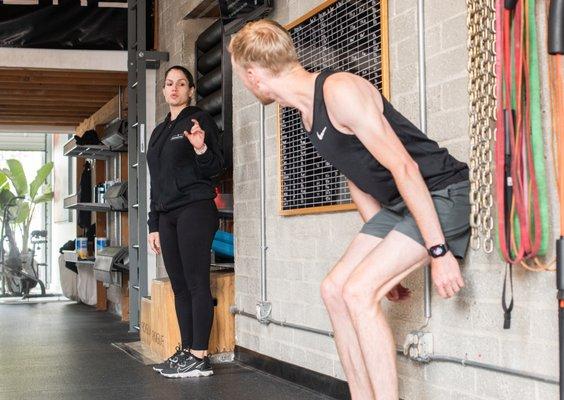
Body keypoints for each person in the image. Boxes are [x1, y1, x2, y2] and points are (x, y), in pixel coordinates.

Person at [228, 20, 470, 400]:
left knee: (358, 292)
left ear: (254, 74)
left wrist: (439, 252)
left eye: (241, 76)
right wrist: (383, 258)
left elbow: (404, 167)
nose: (244, 82)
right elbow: (357, 178)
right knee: (334, 290)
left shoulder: (339, 90)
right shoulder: (308, 116)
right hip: (398, 206)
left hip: (442, 192)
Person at [146, 65, 224, 378]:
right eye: (169, 83)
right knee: (179, 287)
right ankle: (186, 351)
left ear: (191, 90)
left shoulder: (198, 120)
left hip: (195, 208)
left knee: (195, 282)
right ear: (164, 90)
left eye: (181, 83)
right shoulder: (159, 130)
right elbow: (157, 180)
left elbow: (216, 167)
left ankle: (199, 355)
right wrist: (153, 224)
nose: (174, 88)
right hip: (167, 215)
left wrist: (201, 147)